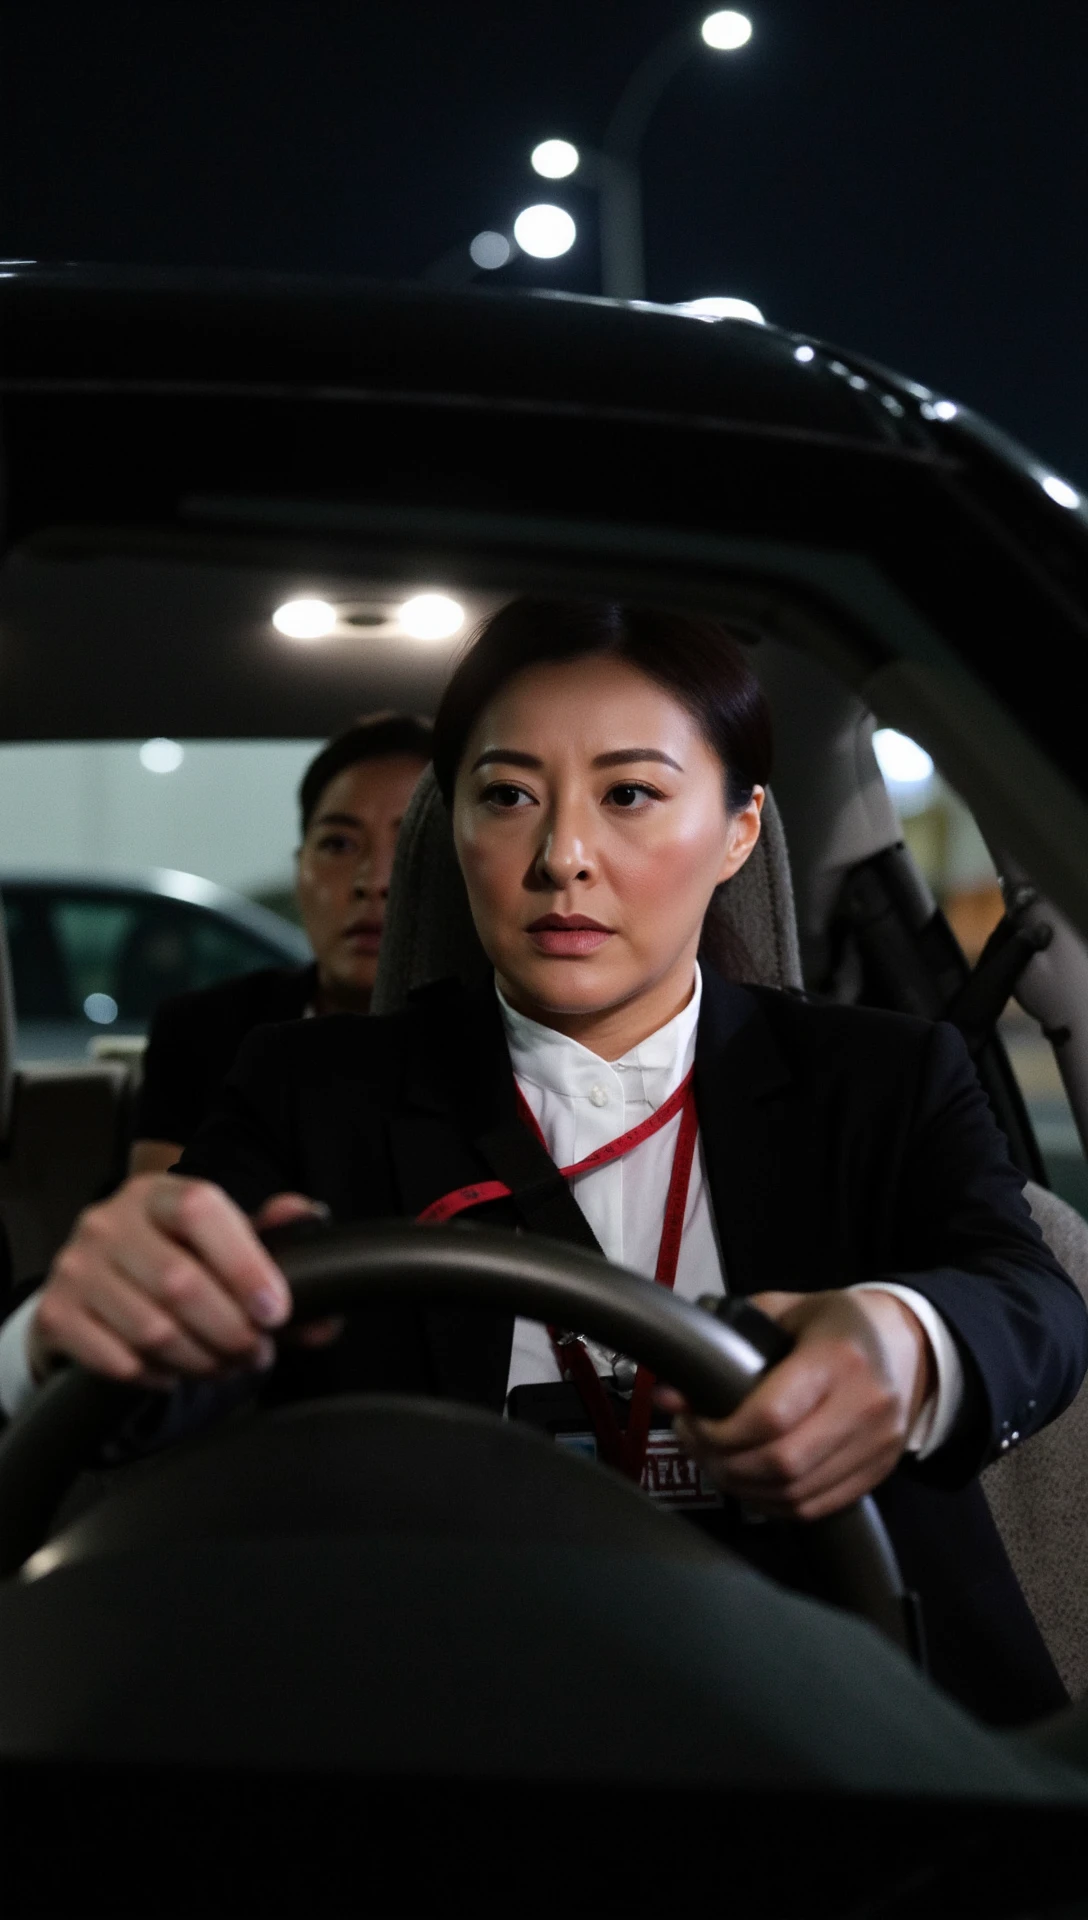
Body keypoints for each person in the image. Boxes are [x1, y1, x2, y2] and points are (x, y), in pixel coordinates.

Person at [4, 599, 1086, 1726]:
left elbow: (1028, 1300)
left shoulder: (880, 1078)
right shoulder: (311, 1091)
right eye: (508, 795)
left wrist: (902, 1343)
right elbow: (158, 1348)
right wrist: (64, 1327)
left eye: (629, 795)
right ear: (454, 823)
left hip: (838, 1708)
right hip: (432, 1711)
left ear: (735, 830)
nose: (561, 858)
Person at [129, 713, 432, 1173]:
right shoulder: (205, 1032)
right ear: (299, 868)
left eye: (413, 845)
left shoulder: (516, 1053)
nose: (374, 882)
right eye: (338, 845)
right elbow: (159, 1211)